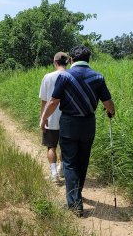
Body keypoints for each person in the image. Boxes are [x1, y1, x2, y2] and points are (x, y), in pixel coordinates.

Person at [39, 45, 115, 217]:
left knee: (70, 163)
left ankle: (74, 203)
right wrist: (111, 112)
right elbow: (108, 103)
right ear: (88, 60)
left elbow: (53, 101)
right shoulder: (98, 77)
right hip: (88, 123)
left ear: (72, 59)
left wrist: (44, 118)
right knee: (83, 161)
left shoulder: (65, 76)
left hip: (69, 123)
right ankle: (77, 196)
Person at [39, 52, 69, 183]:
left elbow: (44, 101)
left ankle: (53, 174)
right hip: (68, 118)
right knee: (65, 146)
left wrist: (43, 117)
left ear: (55, 62)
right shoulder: (71, 76)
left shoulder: (48, 77)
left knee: (51, 146)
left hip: (51, 117)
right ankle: (62, 168)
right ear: (67, 62)